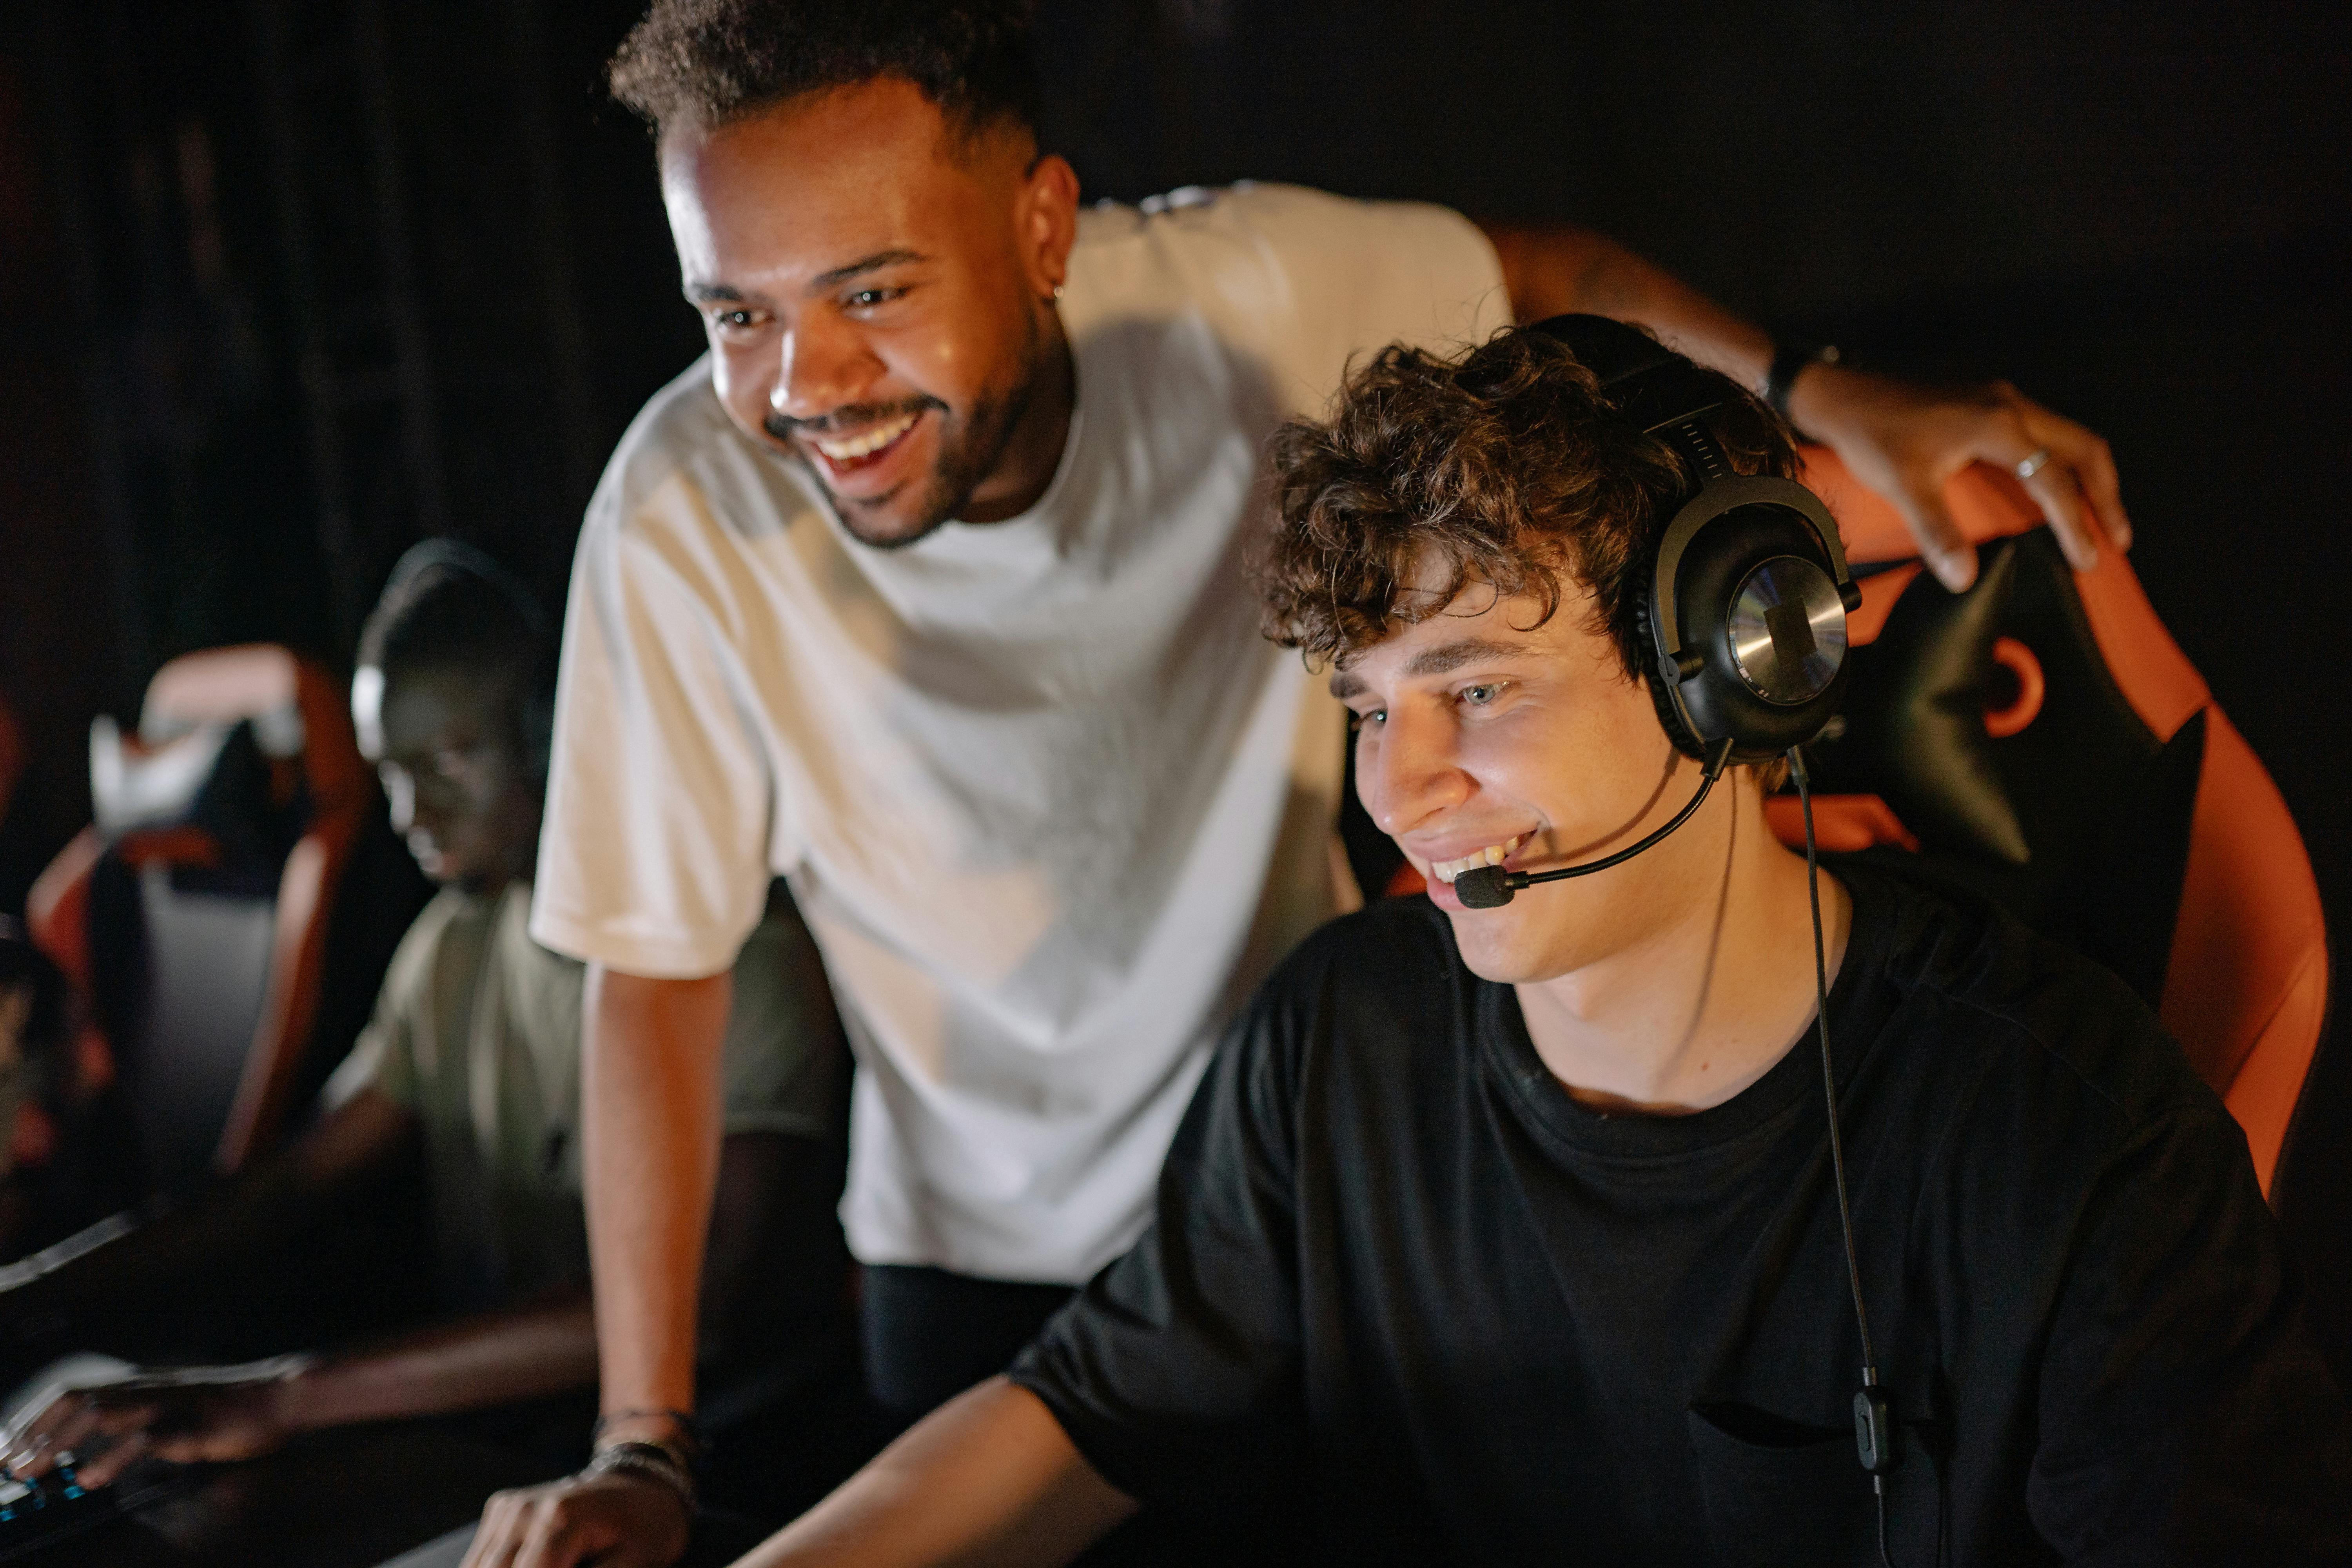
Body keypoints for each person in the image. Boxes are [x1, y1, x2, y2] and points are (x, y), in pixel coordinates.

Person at [474, 3, 2136, 1560]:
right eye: (735, 313)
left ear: (1044, 228)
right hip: (1006, 1255)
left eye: (876, 292)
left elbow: (1540, 269)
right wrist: (646, 1442)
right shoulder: (682, 516)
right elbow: (658, 971)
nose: (803, 384)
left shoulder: (1235, 299)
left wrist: (1818, 391)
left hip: (1332, 1195)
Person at [708, 323, 2352, 1566]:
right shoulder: (1338, 1044)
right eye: (1368, 706)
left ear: (1736, 665)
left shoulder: (2073, 1141)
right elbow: (1084, 1407)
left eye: (1480, 686)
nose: (1401, 787)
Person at [0, 544, 849, 1518]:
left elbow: (702, 1306)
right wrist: (26, 1291)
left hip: (716, 1466)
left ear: (556, 737)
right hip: (513, 1440)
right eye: (390, 773)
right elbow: (284, 1189)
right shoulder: (453, 947)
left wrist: (279, 1396)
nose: (410, 812)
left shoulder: (744, 955)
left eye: (447, 761)